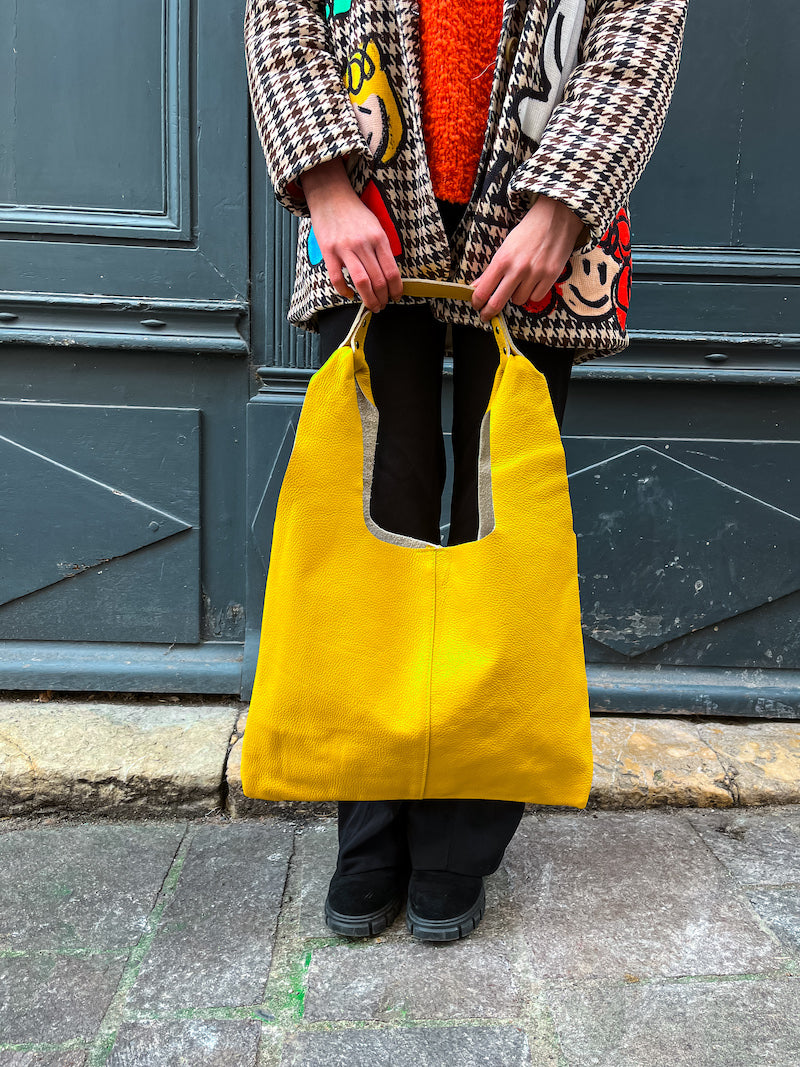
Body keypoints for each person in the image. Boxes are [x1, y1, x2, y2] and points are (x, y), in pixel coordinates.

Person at [243, 0, 688, 941]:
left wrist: (566, 204)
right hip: (368, 196)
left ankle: (459, 839)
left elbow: (635, 33)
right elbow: (281, 15)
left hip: (542, 210)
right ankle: (368, 824)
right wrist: (324, 189)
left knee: (501, 527)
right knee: (379, 510)